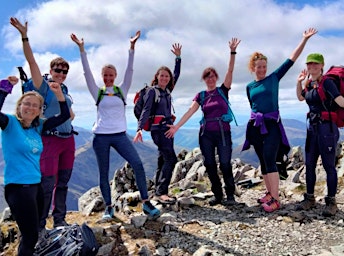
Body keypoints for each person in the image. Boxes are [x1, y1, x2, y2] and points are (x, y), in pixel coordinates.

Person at [70, 31, 161, 220]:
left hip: (120, 135)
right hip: (100, 137)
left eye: (111, 75)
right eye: (105, 75)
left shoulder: (122, 89)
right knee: (103, 173)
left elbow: (130, 71)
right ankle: (109, 208)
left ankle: (146, 203)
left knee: (137, 164)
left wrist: (132, 48)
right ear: (102, 76)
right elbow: (87, 74)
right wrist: (81, 50)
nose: (108, 78)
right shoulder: (97, 92)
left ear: (115, 76)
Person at [0, 76, 70, 255]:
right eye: (27, 103)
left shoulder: (38, 126)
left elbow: (64, 116)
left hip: (36, 186)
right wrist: (5, 89)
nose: (31, 108)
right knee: (30, 235)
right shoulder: (10, 124)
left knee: (31, 233)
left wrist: (58, 94)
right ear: (19, 106)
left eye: (35, 105)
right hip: (18, 188)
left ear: (40, 110)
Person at [242, 28, 318, 213]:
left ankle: (276, 199)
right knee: (262, 160)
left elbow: (291, 60)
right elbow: (254, 105)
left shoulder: (274, 78)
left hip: (272, 125)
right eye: (259, 66)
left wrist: (304, 39)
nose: (262, 69)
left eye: (264, 66)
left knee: (270, 158)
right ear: (253, 68)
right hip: (255, 126)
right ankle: (269, 193)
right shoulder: (249, 86)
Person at [10, 17, 76, 229]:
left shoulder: (63, 90)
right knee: (47, 184)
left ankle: (59, 219)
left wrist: (62, 101)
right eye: (57, 70)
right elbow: (31, 62)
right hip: (50, 140)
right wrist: (24, 36)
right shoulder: (43, 86)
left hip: (68, 140)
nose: (61, 73)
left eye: (64, 71)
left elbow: (70, 115)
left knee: (63, 183)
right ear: (51, 70)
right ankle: (39, 224)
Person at [165, 38, 241, 206]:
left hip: (223, 132)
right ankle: (218, 195)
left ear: (216, 78)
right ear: (204, 79)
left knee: (226, 163)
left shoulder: (223, 90)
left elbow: (230, 70)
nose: (210, 79)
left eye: (213, 76)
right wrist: (177, 126)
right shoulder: (201, 95)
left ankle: (230, 195)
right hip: (206, 133)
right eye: (207, 77)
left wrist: (232, 52)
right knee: (209, 164)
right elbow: (190, 111)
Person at [295, 53, 344, 216]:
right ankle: (310, 198)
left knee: (328, 166)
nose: (311, 67)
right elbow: (300, 97)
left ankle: (331, 202)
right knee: (310, 165)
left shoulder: (327, 82)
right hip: (312, 128)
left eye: (315, 64)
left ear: (322, 66)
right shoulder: (309, 83)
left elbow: (340, 100)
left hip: (327, 129)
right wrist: (298, 82)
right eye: (309, 64)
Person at [132, 44, 182, 205]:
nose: (165, 78)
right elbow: (146, 110)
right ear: (157, 77)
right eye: (162, 76)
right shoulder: (152, 91)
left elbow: (177, 74)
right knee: (171, 158)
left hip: (168, 128)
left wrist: (178, 58)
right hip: (158, 129)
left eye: (167, 76)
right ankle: (162, 192)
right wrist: (139, 128)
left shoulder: (167, 91)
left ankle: (158, 191)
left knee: (163, 158)